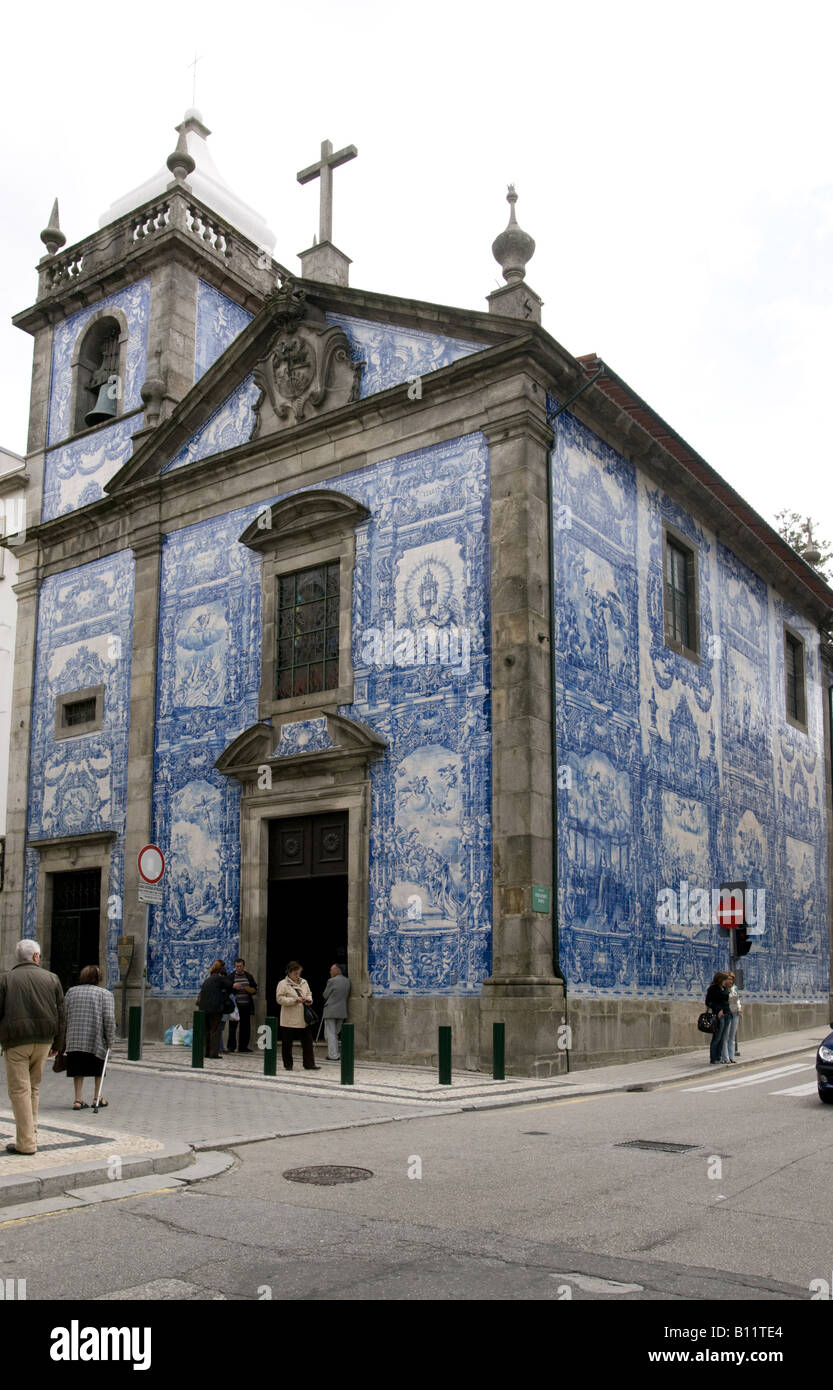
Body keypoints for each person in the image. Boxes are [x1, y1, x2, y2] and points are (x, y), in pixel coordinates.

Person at [0, 939, 64, 1155]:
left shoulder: (6, 980)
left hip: (16, 1042)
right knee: (33, 1087)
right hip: (44, 1041)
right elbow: (61, 1014)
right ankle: (31, 1133)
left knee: (20, 1090)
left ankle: (26, 1143)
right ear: (36, 957)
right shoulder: (52, 978)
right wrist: (58, 1044)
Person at [63, 964, 116, 1109]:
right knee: (98, 1068)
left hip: (75, 1039)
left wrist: (64, 1036)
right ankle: (97, 1097)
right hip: (96, 1039)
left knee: (77, 1069)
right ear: (99, 978)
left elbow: (64, 1016)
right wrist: (110, 1038)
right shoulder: (105, 994)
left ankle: (78, 1099)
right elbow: (109, 1018)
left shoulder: (71, 992)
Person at [276, 961, 320, 1071]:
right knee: (287, 1043)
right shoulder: (283, 984)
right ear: (289, 972)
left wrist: (309, 1000)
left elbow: (309, 993)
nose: (297, 975)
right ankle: (288, 1064)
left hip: (303, 1018)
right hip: (289, 1018)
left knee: (307, 1042)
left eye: (299, 973)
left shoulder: (304, 982)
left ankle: (309, 1063)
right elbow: (280, 999)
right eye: (295, 973)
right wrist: (295, 1000)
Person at [197, 960, 234, 1059]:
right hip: (215, 1010)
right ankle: (213, 1054)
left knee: (206, 1031)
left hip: (204, 1009)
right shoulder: (218, 979)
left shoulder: (208, 979)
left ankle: (206, 1052)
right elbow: (230, 984)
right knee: (215, 1031)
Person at [227, 957, 257, 1053]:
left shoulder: (248, 976)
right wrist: (233, 986)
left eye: (240, 966)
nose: (238, 968)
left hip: (246, 1005)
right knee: (233, 1026)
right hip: (235, 1006)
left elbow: (255, 988)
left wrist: (250, 990)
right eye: (236, 966)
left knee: (245, 1027)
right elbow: (226, 988)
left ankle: (243, 1047)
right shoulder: (231, 977)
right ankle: (231, 1047)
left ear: (243, 966)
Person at [321, 964, 351, 1061]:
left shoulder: (331, 981)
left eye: (331, 970)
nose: (330, 972)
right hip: (342, 1010)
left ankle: (333, 1055)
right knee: (335, 1033)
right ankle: (334, 1053)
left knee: (330, 1033)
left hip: (331, 1010)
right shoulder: (348, 981)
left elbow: (325, 995)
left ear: (338, 970)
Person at [705, 970, 730, 1065]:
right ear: (720, 979)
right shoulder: (713, 989)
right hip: (718, 1016)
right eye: (725, 979)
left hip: (727, 1014)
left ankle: (719, 1057)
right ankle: (713, 1058)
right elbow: (708, 1002)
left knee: (723, 1037)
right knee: (717, 1037)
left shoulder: (725, 989)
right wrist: (718, 1009)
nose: (726, 981)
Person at [722, 970, 742, 1064]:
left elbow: (737, 999)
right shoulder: (723, 988)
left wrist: (739, 1008)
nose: (730, 981)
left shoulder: (735, 988)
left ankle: (731, 1056)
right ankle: (725, 1057)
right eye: (728, 979)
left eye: (731, 979)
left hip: (735, 1013)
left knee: (732, 1036)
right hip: (727, 1013)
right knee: (725, 1035)